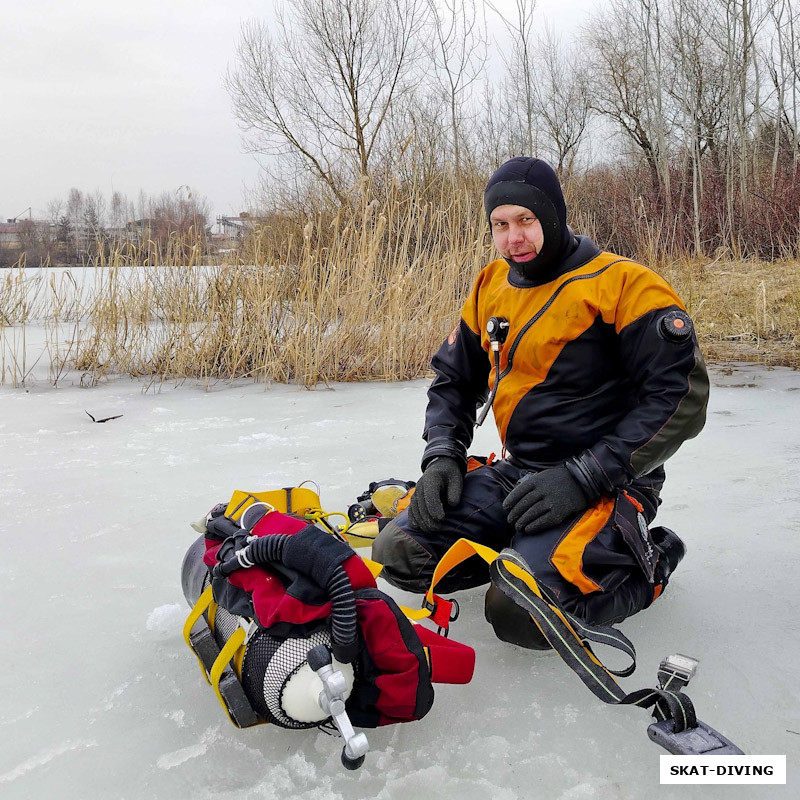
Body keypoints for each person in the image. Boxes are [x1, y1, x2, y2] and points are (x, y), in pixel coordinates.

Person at [373, 157, 710, 649]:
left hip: (609, 483)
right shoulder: (492, 285)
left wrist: (584, 476)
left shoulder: (624, 285)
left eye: (526, 221)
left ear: (553, 215)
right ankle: (528, 554)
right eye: (500, 225)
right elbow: (453, 378)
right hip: (521, 471)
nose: (514, 239)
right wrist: (442, 456)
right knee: (399, 553)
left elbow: (683, 398)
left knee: (520, 612)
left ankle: (649, 564)